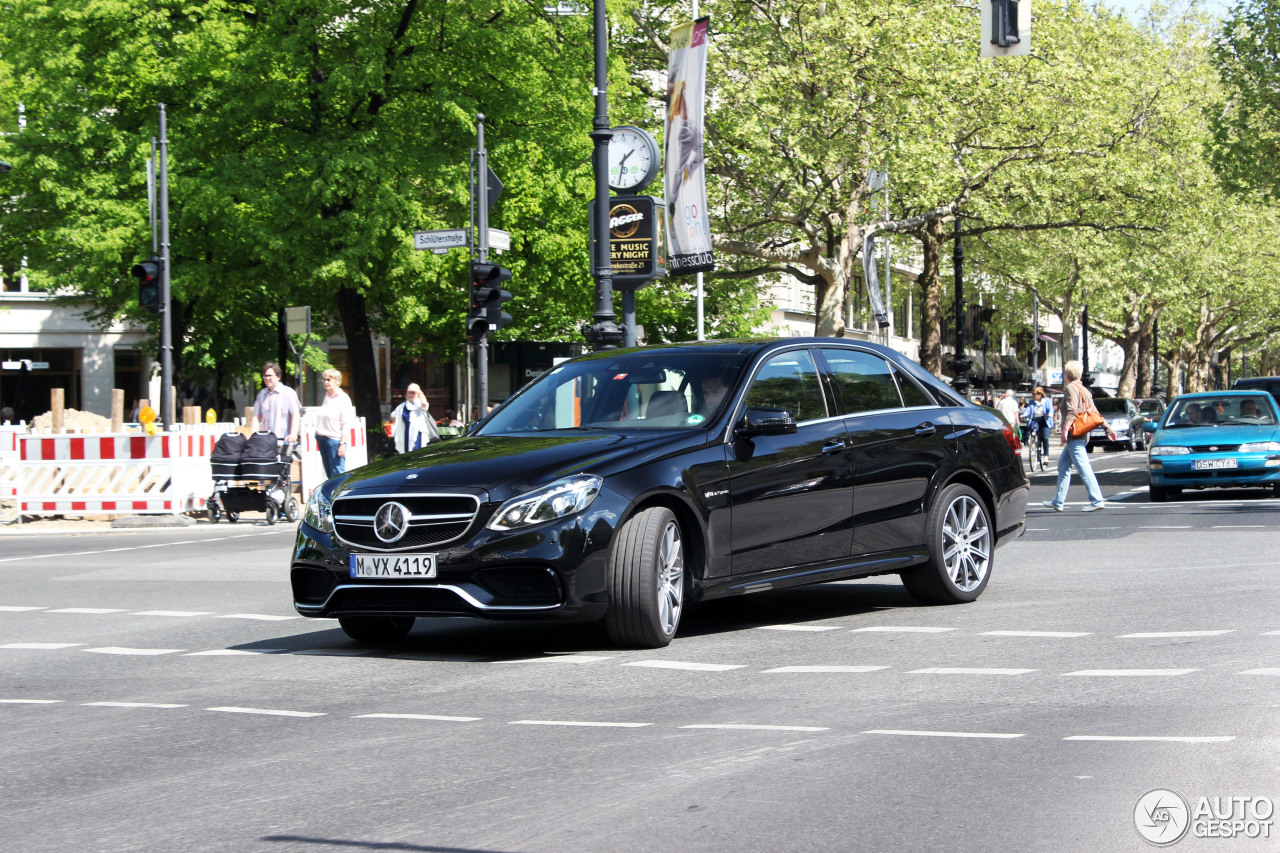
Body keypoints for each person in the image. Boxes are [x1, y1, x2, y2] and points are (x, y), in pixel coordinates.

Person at [1044, 361, 1113, 512]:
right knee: (1063, 466)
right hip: (1081, 434)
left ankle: (1096, 499)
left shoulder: (1071, 388)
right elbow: (1095, 412)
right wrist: (1107, 428)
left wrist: (1064, 431)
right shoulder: (1084, 390)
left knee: (1083, 468)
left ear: (1067, 376)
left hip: (1074, 434)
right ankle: (1058, 501)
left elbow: (1072, 412)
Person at [315, 368, 357, 479]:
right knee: (329, 474)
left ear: (337, 381)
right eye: (324, 380)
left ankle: (339, 495)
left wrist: (342, 443)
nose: (326, 382)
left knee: (338, 474)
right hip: (323, 438)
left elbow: (346, 423)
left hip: (334, 440)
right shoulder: (327, 396)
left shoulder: (342, 398)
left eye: (329, 379)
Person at [251, 362, 300, 443]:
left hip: (283, 441)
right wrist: (253, 436)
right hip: (265, 443)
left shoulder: (288, 392)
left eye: (270, 375)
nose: (267, 378)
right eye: (265, 376)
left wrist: (293, 434)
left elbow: (295, 414)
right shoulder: (261, 394)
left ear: (278, 377)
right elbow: (256, 416)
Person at [390, 383, 439, 453]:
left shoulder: (420, 405)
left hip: (418, 435)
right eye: (409, 392)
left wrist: (419, 392)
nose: (411, 395)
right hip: (406, 436)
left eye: (413, 392)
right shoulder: (402, 407)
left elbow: (425, 404)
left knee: (418, 454)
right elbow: (393, 417)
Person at [1025, 387, 1054, 463]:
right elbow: (1028, 409)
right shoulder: (1032, 402)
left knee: (1045, 437)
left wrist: (1050, 414)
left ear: (1040, 394)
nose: (1033, 396)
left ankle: (1045, 456)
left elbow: (1051, 409)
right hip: (1035, 420)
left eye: (1035, 394)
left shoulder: (1047, 401)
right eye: (1033, 394)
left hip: (1045, 420)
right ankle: (1034, 447)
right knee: (1033, 431)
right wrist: (1024, 415)